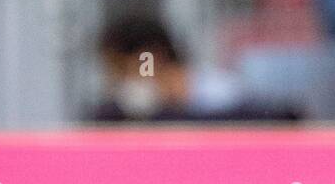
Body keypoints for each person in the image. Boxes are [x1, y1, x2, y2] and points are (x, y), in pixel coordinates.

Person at [89, 14, 302, 122]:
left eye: (120, 69)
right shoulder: (124, 113)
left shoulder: (223, 93)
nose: (115, 80)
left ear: (150, 57)